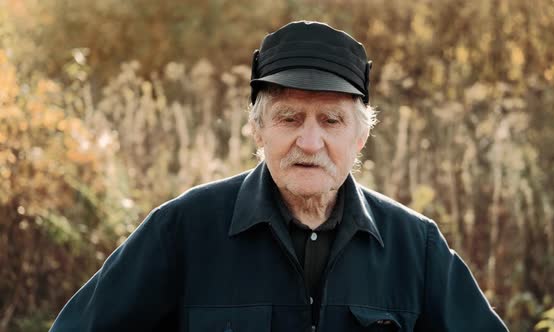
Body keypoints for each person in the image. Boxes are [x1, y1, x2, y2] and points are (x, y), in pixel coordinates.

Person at [50, 21, 508, 331]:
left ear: (361, 137)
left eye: (330, 122)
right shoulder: (184, 229)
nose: (310, 143)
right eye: (290, 119)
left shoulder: (416, 246)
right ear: (258, 130)